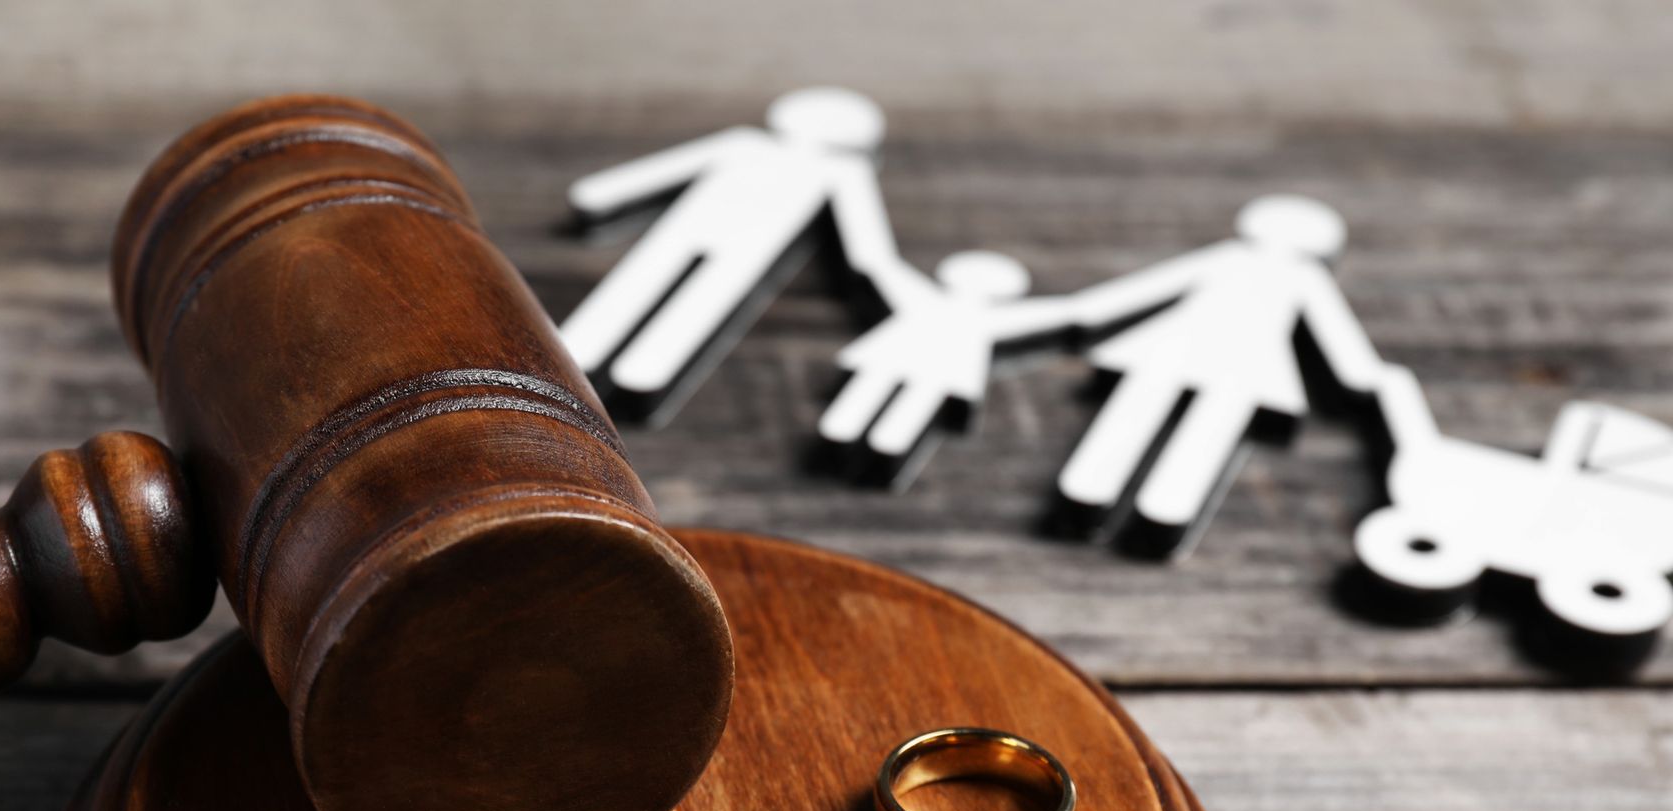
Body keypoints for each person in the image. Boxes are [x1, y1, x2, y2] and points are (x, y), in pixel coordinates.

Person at [1045, 194, 1383, 542]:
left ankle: (1123, 500)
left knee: (1168, 417)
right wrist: (1366, 374)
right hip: (1215, 355)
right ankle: (1121, 500)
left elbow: (1126, 295)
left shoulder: (1249, 261)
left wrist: (1080, 310)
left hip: (1207, 354)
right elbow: (1343, 346)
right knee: (1183, 422)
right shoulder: (1256, 263)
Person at [560, 87, 896, 420]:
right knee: (645, 289)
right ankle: (578, 358)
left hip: (742, 250)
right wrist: (602, 192)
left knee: (692, 305)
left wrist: (601, 191)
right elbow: (669, 167)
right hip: (688, 232)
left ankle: (634, 373)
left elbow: (863, 238)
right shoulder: (747, 144)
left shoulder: (837, 169)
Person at [818, 249, 1067, 485]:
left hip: (934, 367)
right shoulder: (928, 297)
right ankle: (843, 437)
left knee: (909, 407)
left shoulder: (966, 309)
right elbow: (880, 264)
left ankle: (872, 445)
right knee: (869, 395)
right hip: (901, 355)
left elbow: (881, 264)